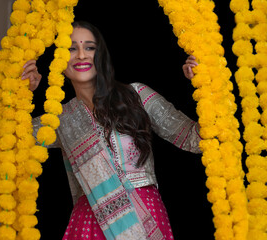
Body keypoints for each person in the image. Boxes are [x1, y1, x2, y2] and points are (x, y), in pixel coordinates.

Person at [23, 21, 201, 240]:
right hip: (90, 222)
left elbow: (196, 140)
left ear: (101, 55)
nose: (81, 55)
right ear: (59, 60)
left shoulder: (136, 96)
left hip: (144, 217)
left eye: (89, 47)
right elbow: (7, 139)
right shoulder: (61, 119)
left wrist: (202, 86)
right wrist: (23, 94)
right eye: (71, 48)